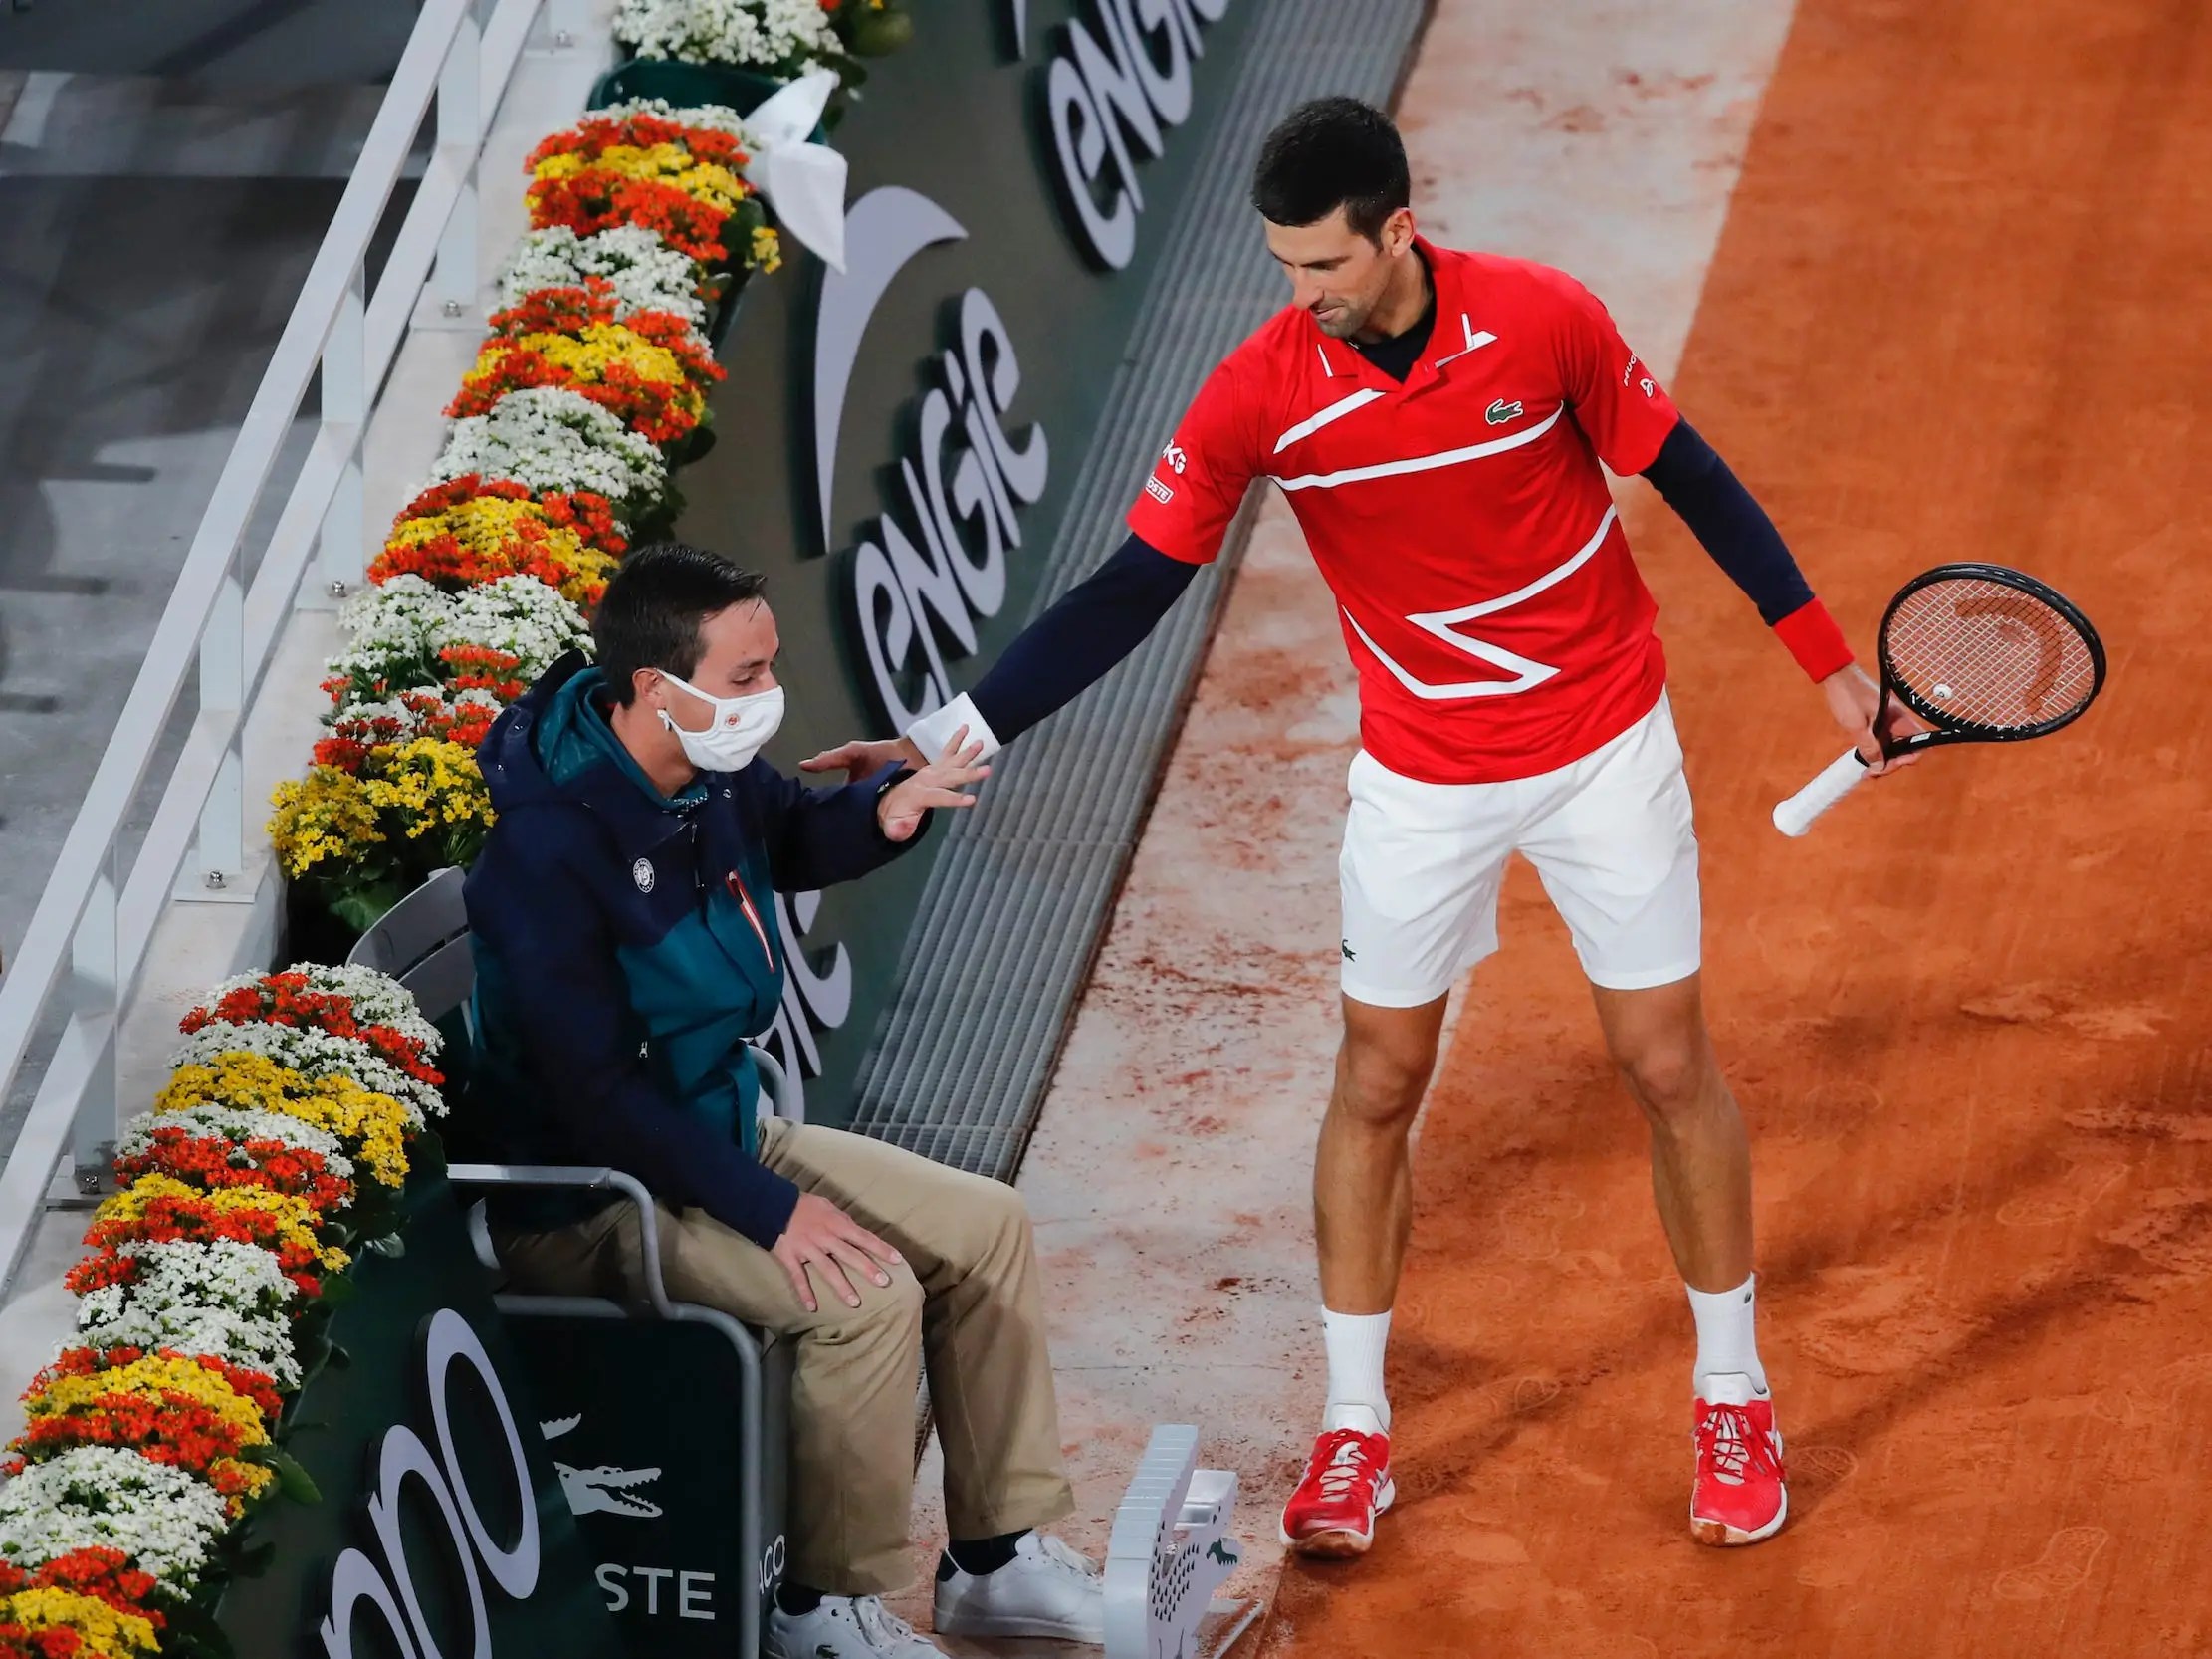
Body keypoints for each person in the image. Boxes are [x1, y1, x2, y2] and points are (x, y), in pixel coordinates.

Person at [802, 97, 1925, 1560]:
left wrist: (1826, 660)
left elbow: (1691, 477)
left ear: (1398, 229)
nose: (1301, 295)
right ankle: (1352, 1424)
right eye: (1281, 267)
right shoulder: (1260, 391)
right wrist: (955, 730)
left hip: (1603, 748)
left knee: (1663, 1060)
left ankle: (1730, 1390)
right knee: (1379, 1075)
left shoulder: (1543, 321)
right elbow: (1128, 588)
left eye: (1321, 265)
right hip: (1421, 775)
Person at [460, 542, 1106, 1659]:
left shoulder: (698, 773)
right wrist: (770, 1211)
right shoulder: (546, 852)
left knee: (982, 1226)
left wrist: (887, 809)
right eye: (747, 676)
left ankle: (995, 1561)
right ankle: (822, 1608)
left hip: (706, 1131)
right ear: (659, 689)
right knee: (863, 1293)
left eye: (770, 667)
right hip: (589, 1197)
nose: (770, 696)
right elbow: (598, 1095)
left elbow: (793, 833)